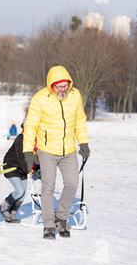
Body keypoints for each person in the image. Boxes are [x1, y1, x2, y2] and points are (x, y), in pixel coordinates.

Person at [23, 66, 90, 240]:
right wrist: (28, 151)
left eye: (65, 86)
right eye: (58, 86)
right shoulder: (40, 98)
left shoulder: (75, 96)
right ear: (51, 85)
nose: (63, 90)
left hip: (68, 150)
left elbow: (80, 120)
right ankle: (49, 225)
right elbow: (30, 126)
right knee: (48, 186)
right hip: (47, 150)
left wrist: (83, 142)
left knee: (72, 184)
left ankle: (61, 218)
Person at [0, 123, 39, 223]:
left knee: (23, 193)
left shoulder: (32, 141)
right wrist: (29, 170)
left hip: (22, 169)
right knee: (19, 191)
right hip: (11, 166)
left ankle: (12, 214)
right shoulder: (20, 139)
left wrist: (37, 168)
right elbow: (21, 157)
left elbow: (34, 157)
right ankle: (4, 206)